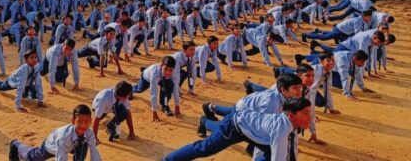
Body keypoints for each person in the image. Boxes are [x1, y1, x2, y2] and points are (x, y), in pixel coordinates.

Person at [163, 98, 311, 161]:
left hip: (249, 129)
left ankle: (206, 121)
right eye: (305, 114)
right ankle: (169, 159)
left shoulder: (289, 125)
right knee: (205, 148)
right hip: (235, 126)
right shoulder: (282, 130)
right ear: (291, 115)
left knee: (272, 152)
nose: (309, 118)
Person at [8, 104, 101, 161]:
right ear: (73, 121)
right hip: (52, 145)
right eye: (79, 121)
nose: (83, 125)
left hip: (72, 145)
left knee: (83, 144)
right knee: (32, 157)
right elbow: (61, 158)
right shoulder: (64, 137)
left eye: (86, 121)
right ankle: (15, 144)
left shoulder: (89, 133)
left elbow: (94, 152)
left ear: (90, 121)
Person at [131, 56, 180, 121]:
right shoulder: (154, 73)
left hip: (162, 79)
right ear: (161, 65)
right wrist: (154, 111)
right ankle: (130, 89)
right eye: (165, 69)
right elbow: (153, 93)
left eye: (170, 70)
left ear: (173, 69)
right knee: (139, 90)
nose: (168, 72)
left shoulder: (174, 72)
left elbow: (175, 88)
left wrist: (177, 105)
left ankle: (165, 106)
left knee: (169, 86)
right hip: (147, 78)